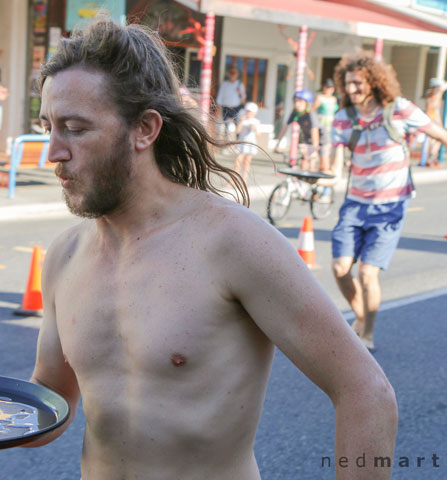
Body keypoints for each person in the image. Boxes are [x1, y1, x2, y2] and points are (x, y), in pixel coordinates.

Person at [24, 17, 398, 479]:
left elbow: (365, 389)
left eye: (75, 129)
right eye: (48, 128)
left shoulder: (234, 242)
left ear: (144, 129)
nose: (53, 153)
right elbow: (51, 395)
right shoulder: (64, 256)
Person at [325, 53, 447, 351]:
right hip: (355, 204)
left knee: (367, 273)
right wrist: (322, 177)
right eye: (347, 83)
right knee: (340, 269)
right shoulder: (343, 118)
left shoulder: (399, 111)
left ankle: (367, 333)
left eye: (358, 83)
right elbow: (335, 164)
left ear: (374, 82)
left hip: (390, 206)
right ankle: (361, 315)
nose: (351, 89)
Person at [274, 89, 322, 171]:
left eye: (300, 102)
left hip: (321, 140)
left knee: (317, 165)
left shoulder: (310, 114)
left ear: (307, 103)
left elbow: (315, 132)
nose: (297, 104)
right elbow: (285, 127)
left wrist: (314, 149)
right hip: (308, 140)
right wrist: (277, 144)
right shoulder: (295, 113)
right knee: (303, 165)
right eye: (295, 101)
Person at [423, 77, 447, 167]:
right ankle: (432, 157)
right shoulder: (436, 94)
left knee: (431, 139)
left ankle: (429, 157)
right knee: (439, 138)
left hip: (429, 116)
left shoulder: (428, 94)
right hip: (434, 117)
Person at [313, 78, 338, 171]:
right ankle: (323, 169)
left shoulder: (334, 99)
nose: (328, 90)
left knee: (329, 150)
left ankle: (325, 169)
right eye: (327, 87)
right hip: (321, 126)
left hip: (331, 127)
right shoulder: (320, 97)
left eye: (330, 88)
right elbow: (313, 111)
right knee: (323, 150)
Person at [215, 67, 245, 139]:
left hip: (236, 108)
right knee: (226, 126)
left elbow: (243, 98)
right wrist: (217, 108)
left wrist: (239, 93)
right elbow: (220, 97)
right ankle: (226, 143)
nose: (233, 75)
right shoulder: (224, 84)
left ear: (237, 75)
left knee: (238, 125)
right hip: (226, 108)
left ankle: (238, 142)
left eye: (234, 73)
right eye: (231, 73)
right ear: (229, 74)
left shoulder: (240, 84)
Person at [233, 102, 260, 181]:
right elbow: (237, 131)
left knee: (247, 163)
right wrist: (241, 121)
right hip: (242, 143)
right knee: (238, 161)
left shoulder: (256, 121)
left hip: (251, 144)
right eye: (247, 111)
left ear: (255, 113)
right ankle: (234, 179)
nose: (249, 113)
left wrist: (254, 128)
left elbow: (258, 134)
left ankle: (244, 179)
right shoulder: (243, 120)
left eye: (250, 111)